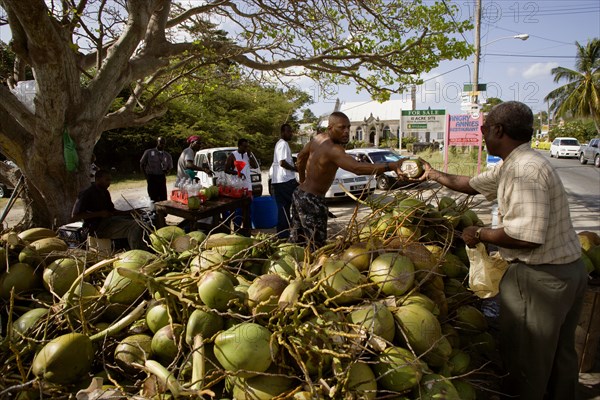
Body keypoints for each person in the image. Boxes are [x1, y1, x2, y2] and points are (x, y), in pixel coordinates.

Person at [415, 101, 586, 400]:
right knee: (559, 354)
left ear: (498, 130)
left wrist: (479, 233)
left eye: (483, 129)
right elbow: (470, 184)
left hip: (541, 278)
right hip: (566, 272)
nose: (481, 135)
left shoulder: (525, 172)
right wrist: (432, 174)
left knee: (527, 360)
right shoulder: (515, 164)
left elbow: (526, 237)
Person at [291, 111, 408, 249]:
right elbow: (357, 168)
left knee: (296, 243)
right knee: (315, 248)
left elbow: (300, 158)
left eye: (348, 127)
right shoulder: (334, 150)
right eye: (341, 128)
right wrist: (391, 166)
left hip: (299, 194)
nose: (346, 131)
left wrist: (302, 181)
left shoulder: (317, 139)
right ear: (330, 128)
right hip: (312, 201)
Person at [72, 169, 147, 250]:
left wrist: (130, 212)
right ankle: (138, 251)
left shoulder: (105, 192)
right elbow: (75, 216)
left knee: (138, 220)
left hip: (108, 221)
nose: (109, 183)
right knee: (134, 226)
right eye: (107, 180)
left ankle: (128, 246)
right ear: (97, 180)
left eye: (110, 180)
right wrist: (99, 214)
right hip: (97, 228)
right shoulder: (86, 194)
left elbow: (112, 211)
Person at [271, 123, 298, 238]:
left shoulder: (280, 144)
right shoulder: (283, 144)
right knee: (298, 204)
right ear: (282, 132)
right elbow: (282, 163)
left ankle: (283, 235)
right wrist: (295, 169)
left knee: (283, 209)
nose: (290, 133)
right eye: (288, 131)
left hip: (279, 181)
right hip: (285, 180)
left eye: (291, 131)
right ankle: (295, 233)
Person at [140, 137, 173, 202]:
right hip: (151, 177)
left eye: (164, 143)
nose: (162, 145)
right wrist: (146, 176)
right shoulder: (148, 152)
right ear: (157, 142)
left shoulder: (167, 155)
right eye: (160, 143)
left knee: (163, 198)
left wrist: (167, 171)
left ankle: (163, 211)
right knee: (153, 198)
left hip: (161, 177)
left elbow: (170, 167)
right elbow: (141, 164)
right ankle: (153, 211)